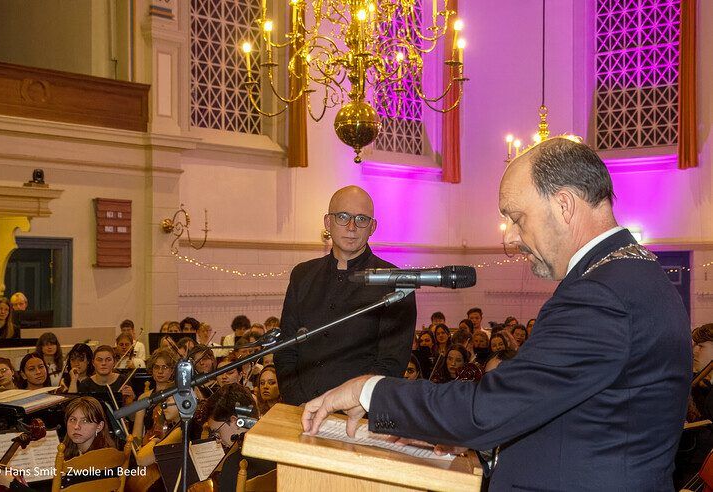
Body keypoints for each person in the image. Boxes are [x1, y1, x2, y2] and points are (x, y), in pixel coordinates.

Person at [301, 137, 692, 490]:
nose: (509, 236)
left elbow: (488, 409)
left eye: (517, 217)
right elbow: (569, 417)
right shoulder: (628, 275)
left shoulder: (603, 294)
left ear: (564, 205)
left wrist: (369, 389)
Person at [275, 186, 417, 405]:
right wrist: (298, 401)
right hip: (300, 408)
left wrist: (349, 403)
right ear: (327, 222)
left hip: (356, 413)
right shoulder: (302, 275)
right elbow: (285, 348)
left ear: (372, 227)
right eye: (343, 217)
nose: (351, 227)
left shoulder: (395, 282)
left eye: (361, 219)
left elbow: (391, 362)